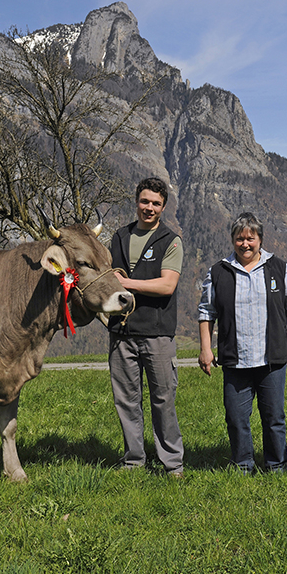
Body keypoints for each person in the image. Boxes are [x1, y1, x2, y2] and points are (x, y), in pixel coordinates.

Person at [198, 212, 287, 473]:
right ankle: (242, 465)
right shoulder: (218, 271)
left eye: (251, 238)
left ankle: (277, 465)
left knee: (274, 418)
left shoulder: (279, 268)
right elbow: (206, 312)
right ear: (232, 240)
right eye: (239, 239)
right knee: (236, 418)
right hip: (236, 358)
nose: (245, 244)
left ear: (260, 239)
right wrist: (205, 348)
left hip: (272, 358)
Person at [108, 176, 185, 477]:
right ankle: (133, 460)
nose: (148, 208)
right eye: (144, 201)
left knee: (163, 399)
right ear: (136, 201)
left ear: (163, 207)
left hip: (157, 333)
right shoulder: (119, 236)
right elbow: (111, 271)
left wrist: (127, 283)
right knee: (126, 400)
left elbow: (167, 285)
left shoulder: (170, 240)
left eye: (155, 203)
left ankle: (172, 463)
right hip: (122, 333)